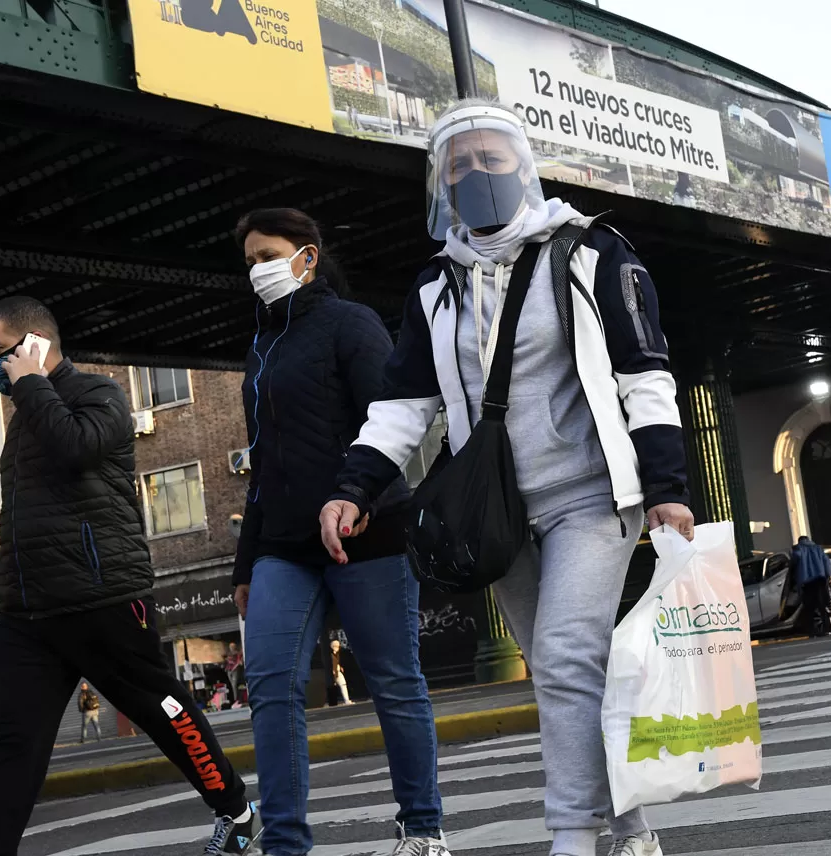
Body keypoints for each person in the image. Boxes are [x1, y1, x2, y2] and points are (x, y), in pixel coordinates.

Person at [320, 99, 693, 856]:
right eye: (458, 165)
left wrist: (667, 485)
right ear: (440, 186)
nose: (476, 174)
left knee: (560, 655)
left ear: (523, 167)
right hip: (494, 512)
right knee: (563, 671)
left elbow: (644, 376)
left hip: (593, 494)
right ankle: (633, 831)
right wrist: (353, 486)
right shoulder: (436, 285)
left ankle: (570, 838)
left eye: (491, 160)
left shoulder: (594, 251)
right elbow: (404, 402)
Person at [0, 297, 257, 856]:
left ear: (34, 343)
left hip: (102, 600)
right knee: (11, 743)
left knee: (164, 710)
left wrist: (31, 383)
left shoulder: (98, 394)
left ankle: (235, 809)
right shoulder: (24, 419)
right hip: (29, 617)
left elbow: (76, 449)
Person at [230, 207, 443, 856]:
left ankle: (423, 829)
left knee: (392, 680)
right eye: (249, 262)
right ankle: (285, 845)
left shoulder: (351, 324)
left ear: (308, 256)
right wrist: (245, 563)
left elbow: (390, 426)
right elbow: (261, 460)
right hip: (282, 546)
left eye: (269, 255)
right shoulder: (261, 345)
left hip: (367, 533)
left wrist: (359, 499)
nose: (258, 270)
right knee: (270, 683)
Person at [790, 536, 831, 637]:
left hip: (807, 583)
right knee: (822, 606)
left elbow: (795, 560)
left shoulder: (798, 549)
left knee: (809, 609)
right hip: (820, 580)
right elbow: (826, 561)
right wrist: (830, 575)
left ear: (799, 541)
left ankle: (812, 631)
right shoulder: (818, 548)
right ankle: (827, 629)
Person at [329, 638, 355, 707]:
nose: (337, 648)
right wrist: (334, 671)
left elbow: (336, 663)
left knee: (343, 684)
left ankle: (346, 700)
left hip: (337, 671)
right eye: (335, 646)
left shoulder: (336, 655)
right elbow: (332, 664)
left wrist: (339, 667)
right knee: (340, 685)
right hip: (335, 672)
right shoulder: (331, 655)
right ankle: (343, 700)